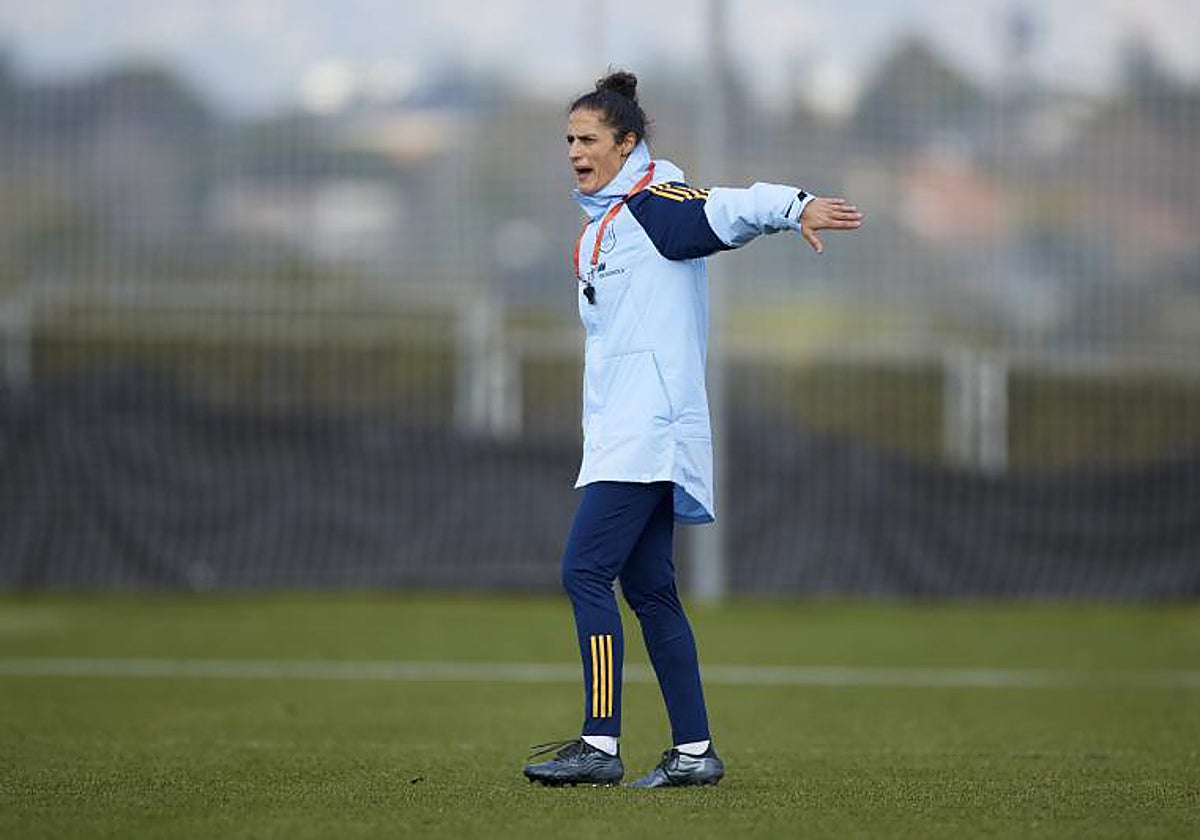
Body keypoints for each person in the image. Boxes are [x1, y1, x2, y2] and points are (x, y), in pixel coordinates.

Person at [523, 70, 863, 788]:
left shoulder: (654, 206)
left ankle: (600, 744)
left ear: (627, 143)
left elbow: (729, 208)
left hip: (648, 434)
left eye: (589, 140)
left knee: (584, 571)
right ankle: (694, 752)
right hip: (623, 433)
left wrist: (793, 206)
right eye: (569, 141)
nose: (576, 152)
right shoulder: (602, 230)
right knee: (650, 591)